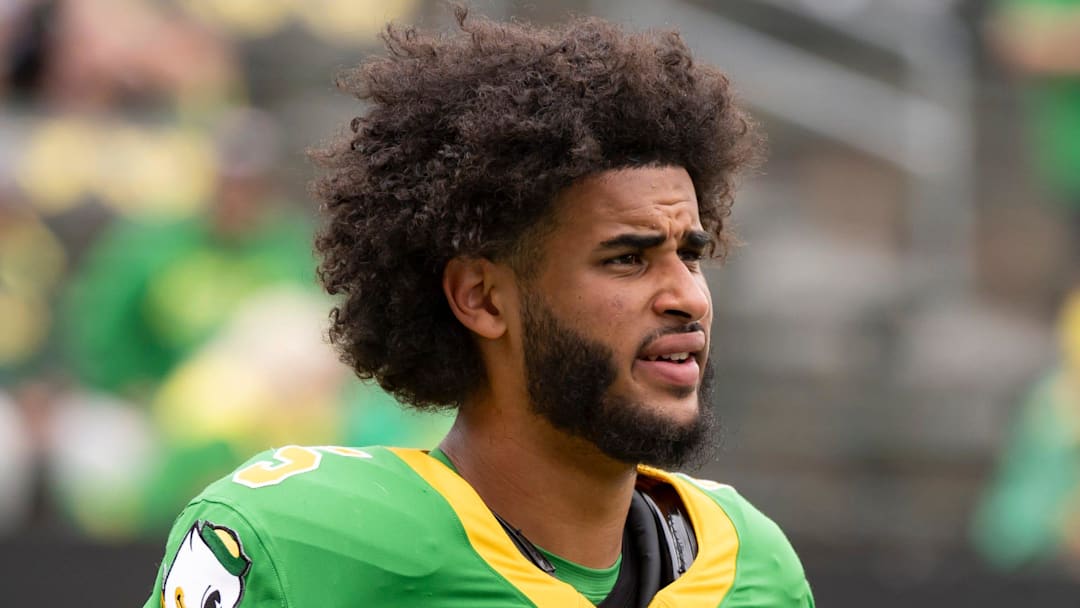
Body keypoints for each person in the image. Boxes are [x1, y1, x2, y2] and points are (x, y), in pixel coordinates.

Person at [145, 8, 814, 607]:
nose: (687, 297)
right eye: (627, 259)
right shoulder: (298, 549)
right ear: (482, 298)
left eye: (690, 255)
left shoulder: (755, 569)